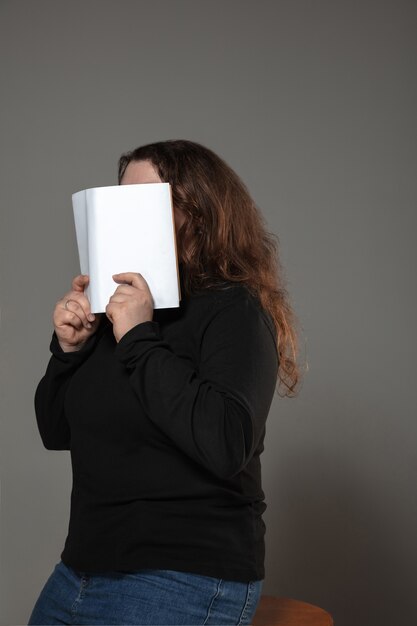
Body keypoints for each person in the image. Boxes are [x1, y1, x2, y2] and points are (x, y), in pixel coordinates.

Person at [28, 139, 300, 626]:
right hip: (80, 571)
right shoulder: (117, 308)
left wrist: (137, 336)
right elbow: (57, 431)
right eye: (120, 199)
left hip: (183, 575)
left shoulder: (233, 310)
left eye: (145, 201)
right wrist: (67, 352)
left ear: (198, 212)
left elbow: (224, 441)